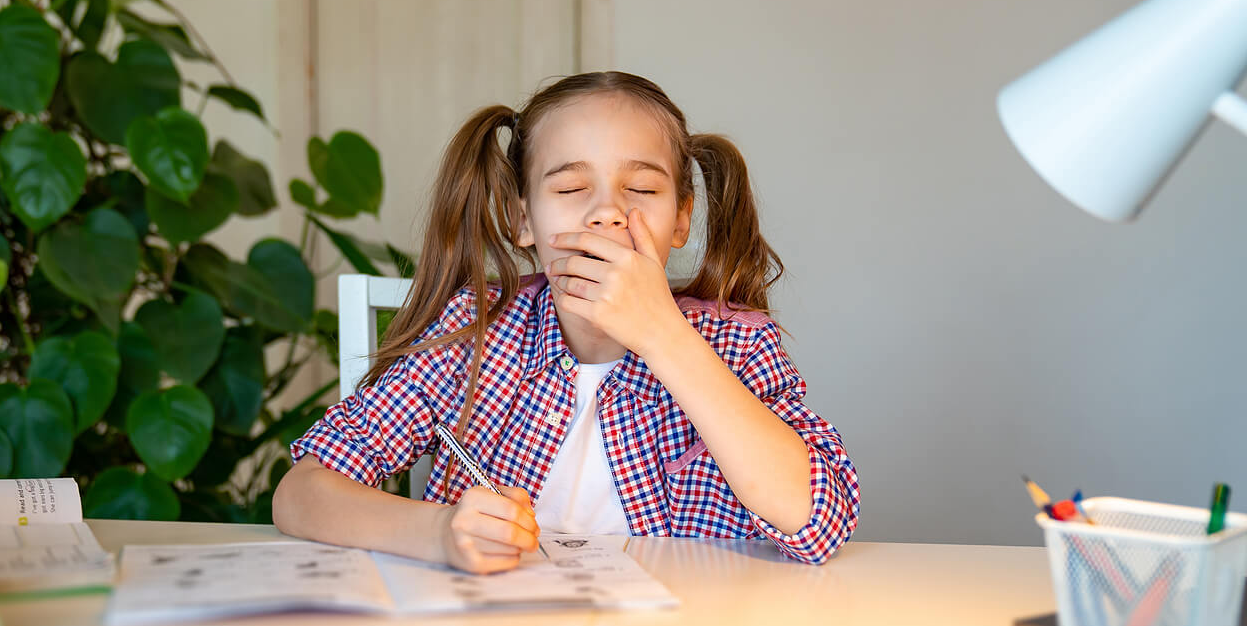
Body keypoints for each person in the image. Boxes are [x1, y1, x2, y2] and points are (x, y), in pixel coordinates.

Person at [274, 71, 859, 570]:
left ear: (681, 219)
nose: (606, 211)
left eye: (641, 188)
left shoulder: (734, 341)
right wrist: (438, 533)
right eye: (573, 187)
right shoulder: (475, 335)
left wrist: (663, 335)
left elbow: (819, 522)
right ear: (522, 219)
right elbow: (301, 493)